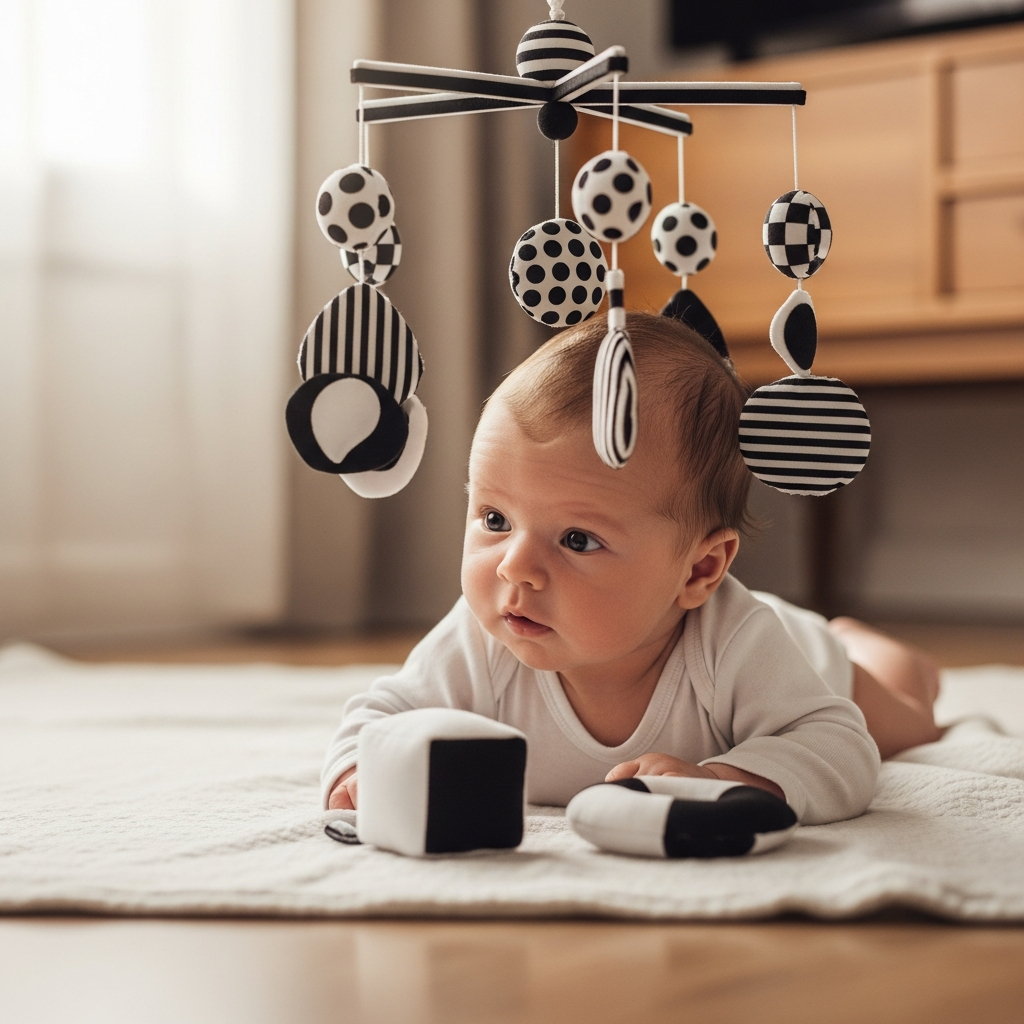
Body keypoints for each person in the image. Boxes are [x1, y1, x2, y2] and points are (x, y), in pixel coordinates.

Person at [323, 312, 942, 822]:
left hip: (809, 657)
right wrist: (356, 772)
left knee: (908, 726)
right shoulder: (483, 640)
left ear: (700, 571)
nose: (516, 568)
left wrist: (724, 777)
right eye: (494, 519)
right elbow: (379, 715)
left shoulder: (734, 644)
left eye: (576, 539)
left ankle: (875, 651)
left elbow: (842, 749)